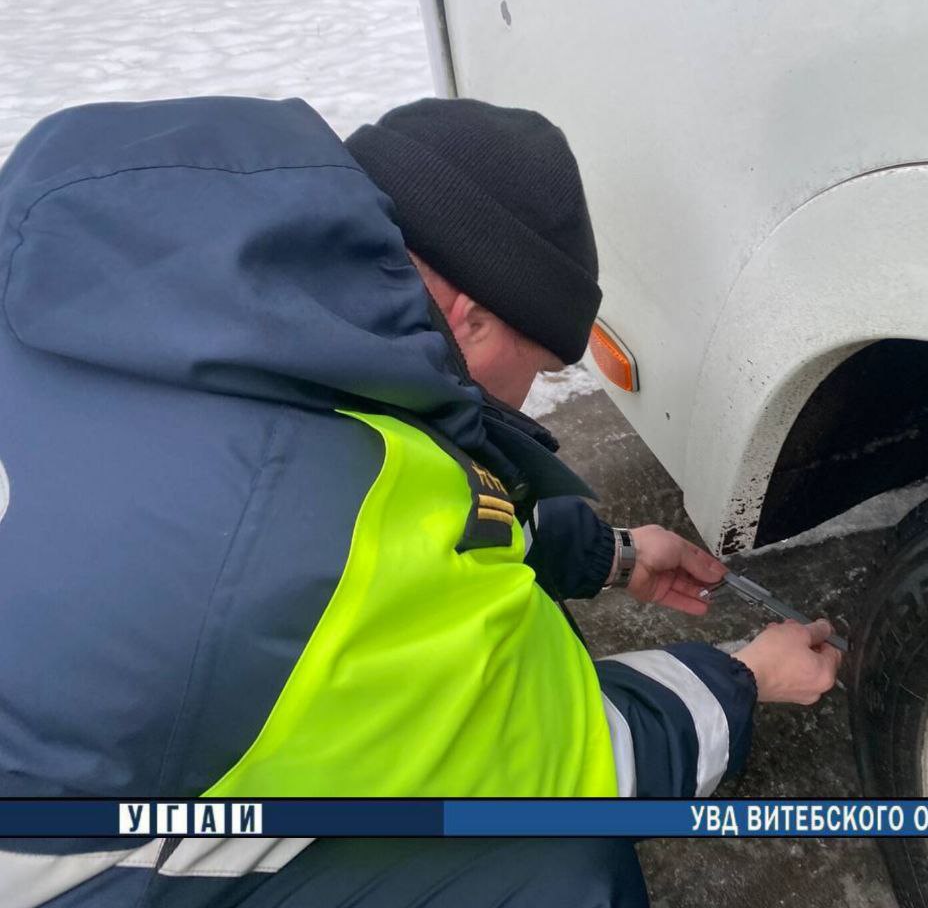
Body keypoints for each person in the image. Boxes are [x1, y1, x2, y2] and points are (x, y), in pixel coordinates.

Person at [0, 96, 840, 907]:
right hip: (58, 864)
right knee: (558, 871)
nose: (522, 403)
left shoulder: (131, 251)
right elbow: (572, 762)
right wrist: (745, 677)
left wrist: (611, 554)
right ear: (469, 320)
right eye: (539, 371)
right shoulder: (317, 515)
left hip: (69, 726)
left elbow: (379, 530)